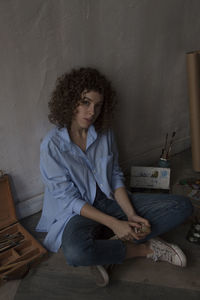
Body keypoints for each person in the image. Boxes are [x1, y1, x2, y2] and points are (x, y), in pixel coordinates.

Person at [36, 67, 193, 287]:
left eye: (98, 105)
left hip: (111, 201)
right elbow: (70, 200)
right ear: (71, 100)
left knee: (183, 206)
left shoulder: (104, 132)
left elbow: (115, 175)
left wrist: (130, 215)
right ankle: (143, 248)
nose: (92, 112)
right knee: (76, 253)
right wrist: (114, 223)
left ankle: (107, 247)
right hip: (78, 211)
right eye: (85, 102)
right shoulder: (51, 146)